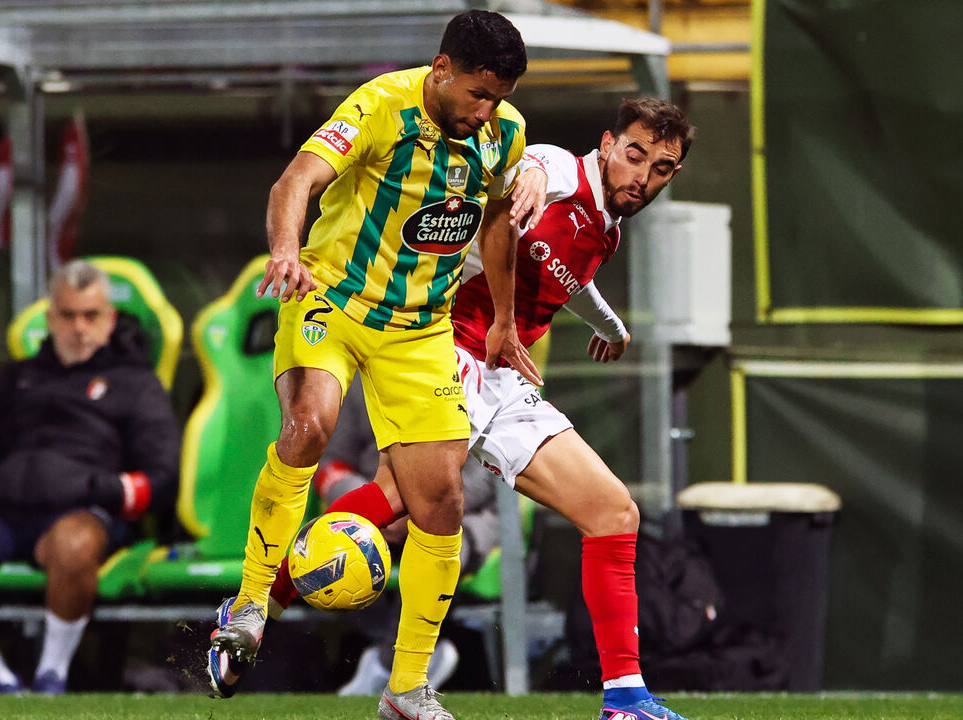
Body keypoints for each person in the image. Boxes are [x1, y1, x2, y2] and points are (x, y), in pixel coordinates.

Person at [236, 98, 697, 720]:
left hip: (503, 374)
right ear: (608, 144)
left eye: (662, 168)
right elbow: (532, 173)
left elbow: (567, 279)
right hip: (445, 345)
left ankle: (625, 700)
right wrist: (527, 172)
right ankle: (261, 607)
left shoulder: (607, 227)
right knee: (402, 499)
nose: (642, 176)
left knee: (613, 512)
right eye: (635, 155)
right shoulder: (562, 170)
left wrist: (612, 328)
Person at [207, 10, 544, 720]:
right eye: (478, 94)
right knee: (309, 425)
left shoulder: (503, 133)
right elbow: (292, 183)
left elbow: (496, 220)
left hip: (420, 329)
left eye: (500, 97)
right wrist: (285, 251)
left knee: (441, 502)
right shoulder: (378, 105)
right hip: (330, 298)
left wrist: (507, 322)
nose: (487, 110)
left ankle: (406, 690)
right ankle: (248, 604)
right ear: (443, 67)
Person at [0, 260, 180, 694]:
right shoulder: (17, 377)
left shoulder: (135, 383)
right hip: (0, 518)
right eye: (67, 315)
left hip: (75, 519)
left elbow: (162, 479)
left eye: (91, 315)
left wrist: (95, 490)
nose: (79, 327)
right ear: (49, 319)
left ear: (111, 319)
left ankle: (52, 674)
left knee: (74, 541)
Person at [311, 380, 500, 697]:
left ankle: (387, 668)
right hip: (375, 513)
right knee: (321, 557)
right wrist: (373, 506)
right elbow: (331, 465)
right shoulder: (363, 381)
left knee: (435, 547)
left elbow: (487, 473)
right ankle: (396, 658)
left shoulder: (475, 379)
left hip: (463, 515)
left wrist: (417, 509)